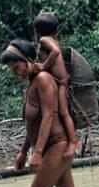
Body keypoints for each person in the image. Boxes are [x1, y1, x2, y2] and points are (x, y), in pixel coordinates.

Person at [0, 39, 93, 187]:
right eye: (11, 70)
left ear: (28, 60)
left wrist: (38, 153)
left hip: (56, 145)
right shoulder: (32, 84)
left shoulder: (43, 79)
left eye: (17, 67)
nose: (16, 73)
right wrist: (23, 152)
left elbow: (49, 116)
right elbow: (33, 124)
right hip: (50, 147)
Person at [33, 12, 78, 160]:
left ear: (37, 30)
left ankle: (72, 142)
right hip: (58, 81)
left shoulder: (45, 40)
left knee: (63, 113)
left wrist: (43, 66)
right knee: (58, 113)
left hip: (61, 81)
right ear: (56, 29)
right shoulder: (51, 39)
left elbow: (56, 52)